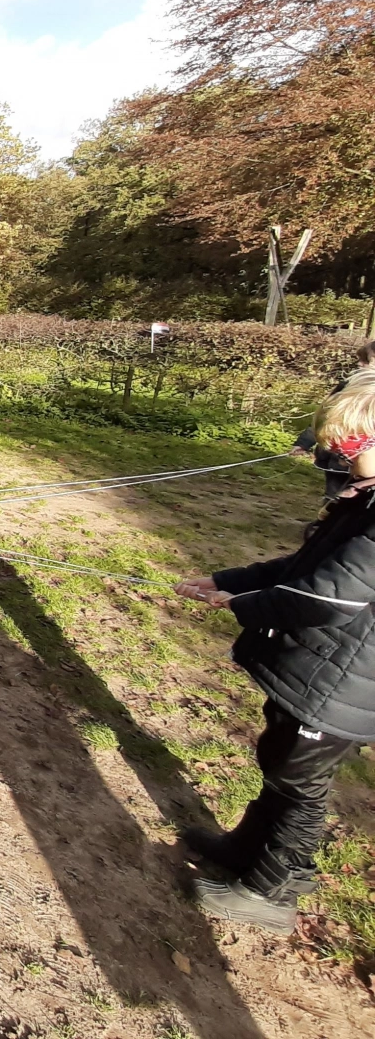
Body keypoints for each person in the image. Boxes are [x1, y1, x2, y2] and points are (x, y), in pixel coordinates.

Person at [175, 367, 375, 934]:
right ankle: (248, 849)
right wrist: (227, 578)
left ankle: (273, 889)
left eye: (349, 445)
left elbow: (327, 599)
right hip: (323, 670)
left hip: (346, 683)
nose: (336, 456)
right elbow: (304, 569)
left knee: (301, 784)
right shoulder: (364, 502)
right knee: (281, 763)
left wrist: (244, 603)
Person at [291, 339, 375, 499]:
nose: (359, 364)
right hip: (339, 460)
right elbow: (325, 420)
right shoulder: (347, 389)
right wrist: (304, 443)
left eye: (366, 360)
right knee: (334, 498)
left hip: (367, 466)